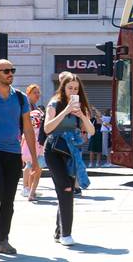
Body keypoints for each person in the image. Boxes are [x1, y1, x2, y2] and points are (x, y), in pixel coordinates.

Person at [0, 60, 40, 255]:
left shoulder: (20, 98)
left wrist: (35, 160)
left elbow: (28, 129)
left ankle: (3, 239)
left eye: (12, 70)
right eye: (5, 71)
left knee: (8, 199)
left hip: (13, 153)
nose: (10, 73)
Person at [43, 72, 94, 246]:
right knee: (65, 188)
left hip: (71, 151)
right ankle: (66, 234)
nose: (73, 91)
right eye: (70, 88)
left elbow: (92, 131)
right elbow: (47, 128)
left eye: (76, 89)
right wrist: (65, 111)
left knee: (66, 190)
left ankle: (59, 232)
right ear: (63, 88)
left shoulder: (81, 107)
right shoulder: (54, 103)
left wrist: (81, 115)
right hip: (54, 149)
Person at [20, 84, 44, 201]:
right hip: (28, 138)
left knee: (32, 164)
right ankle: (26, 188)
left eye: (38, 92)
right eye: (35, 92)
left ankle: (29, 188)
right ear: (28, 93)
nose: (37, 94)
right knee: (29, 164)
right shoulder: (27, 106)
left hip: (34, 139)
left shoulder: (34, 106)